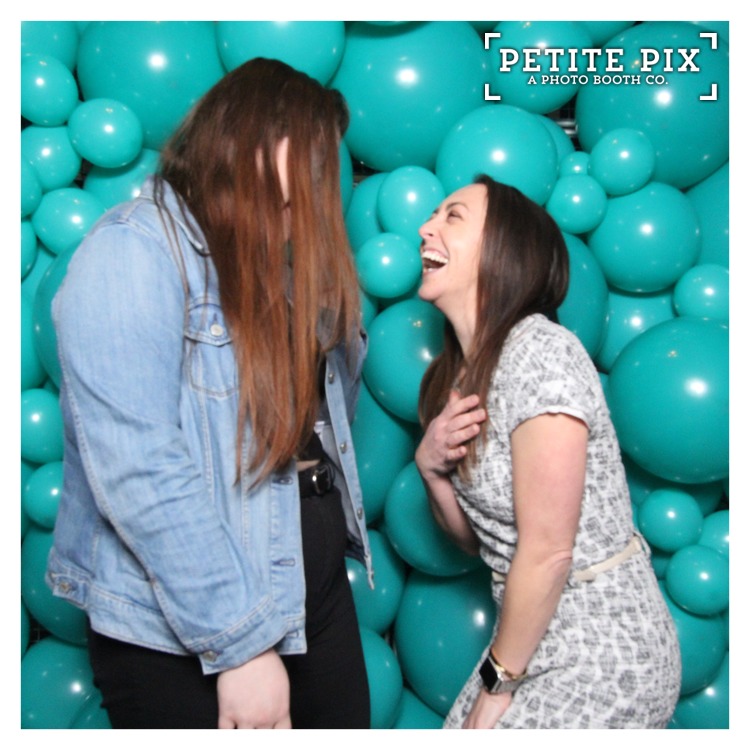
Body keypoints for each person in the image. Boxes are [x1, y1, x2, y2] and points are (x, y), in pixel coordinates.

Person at [46, 58, 372, 730]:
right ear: (245, 141)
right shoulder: (131, 251)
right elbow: (139, 467)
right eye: (306, 160)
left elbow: (320, 420)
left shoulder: (267, 261)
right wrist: (242, 646)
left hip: (311, 595)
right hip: (186, 628)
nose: (316, 186)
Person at [414, 175, 680, 729]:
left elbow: (549, 551)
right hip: (527, 635)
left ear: (502, 250)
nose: (425, 228)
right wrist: (432, 471)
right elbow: (484, 544)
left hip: (603, 646)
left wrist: (497, 685)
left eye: (452, 216)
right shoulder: (458, 378)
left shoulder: (540, 352)